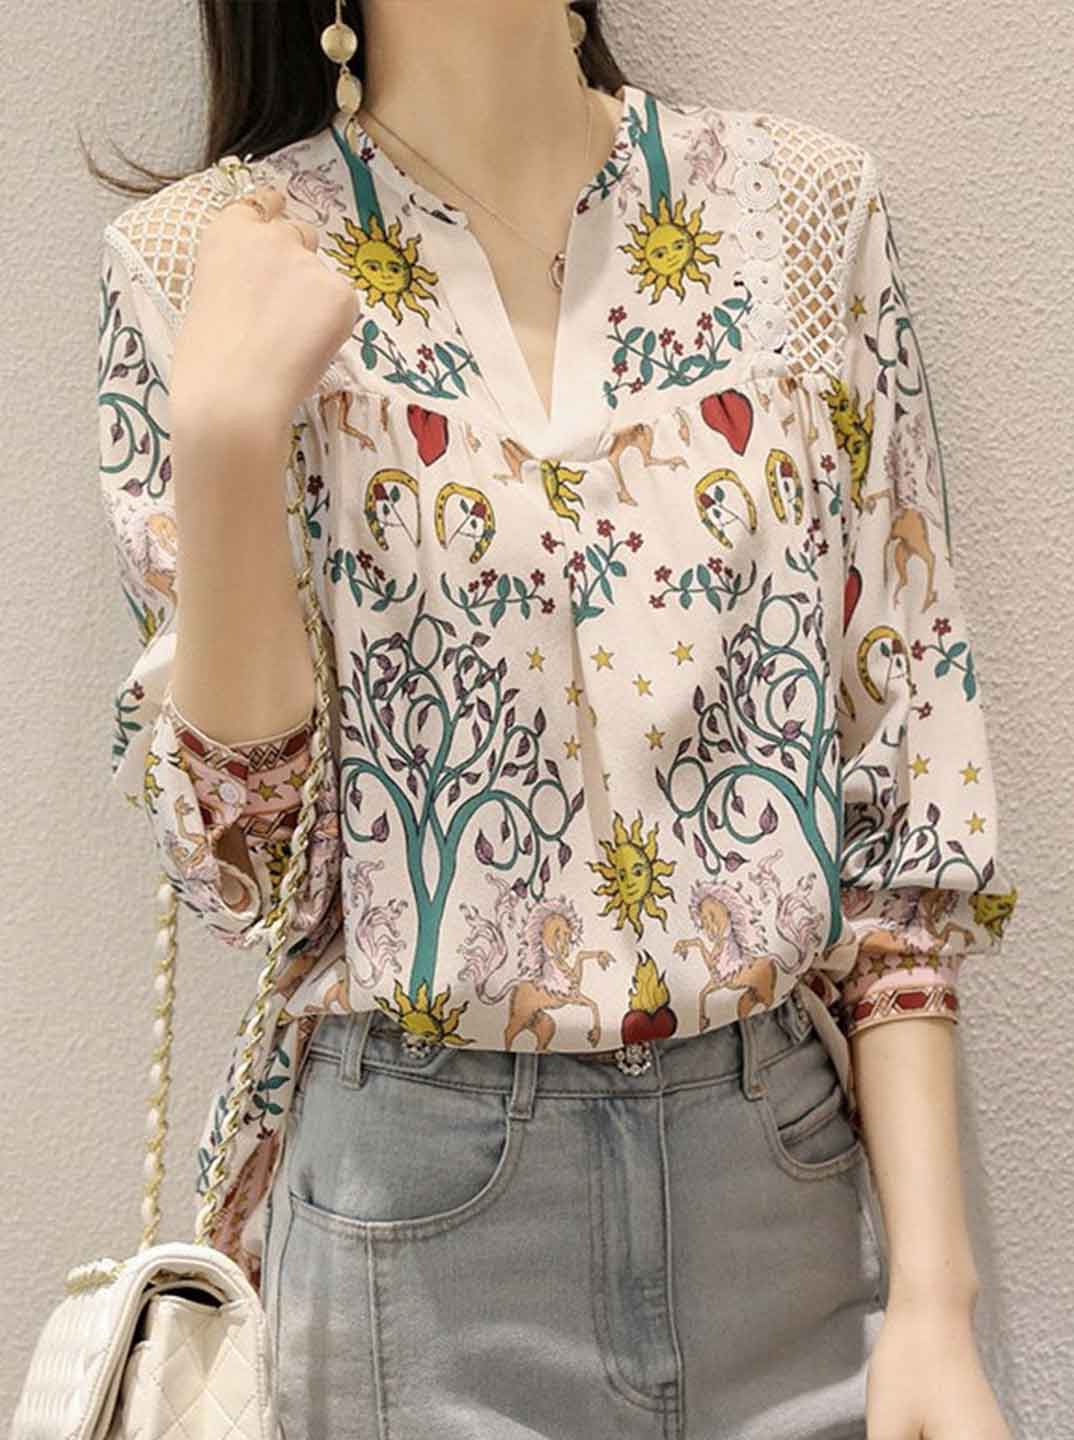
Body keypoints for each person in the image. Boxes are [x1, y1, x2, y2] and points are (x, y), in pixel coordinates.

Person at [91, 2, 1021, 1435]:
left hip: (781, 1188)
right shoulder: (196, 263)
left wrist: (937, 1306)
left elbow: (901, 795)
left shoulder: (798, 215)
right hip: (414, 1236)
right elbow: (252, 880)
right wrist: (226, 444)